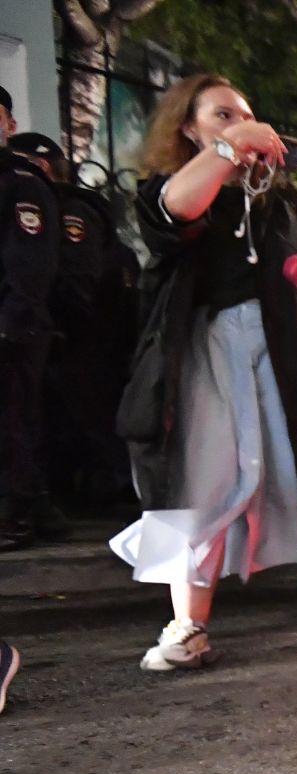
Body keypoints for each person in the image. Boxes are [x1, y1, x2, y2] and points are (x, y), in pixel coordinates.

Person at [109, 73, 297, 671]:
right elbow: (177, 210)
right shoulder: (169, 188)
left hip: (284, 353)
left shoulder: (283, 199)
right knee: (196, 483)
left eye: (245, 114)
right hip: (203, 353)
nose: (239, 123)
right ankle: (188, 625)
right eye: (222, 115)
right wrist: (234, 147)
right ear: (188, 126)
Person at [10, 131, 134, 517]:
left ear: (41, 166)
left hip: (83, 339)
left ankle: (114, 491)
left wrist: (58, 329)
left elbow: (76, 279)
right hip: (72, 337)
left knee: (88, 417)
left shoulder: (69, 211)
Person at [0, 89, 61, 553]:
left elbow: (30, 263)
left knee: (13, 422)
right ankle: (35, 507)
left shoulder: (22, 183)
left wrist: (12, 320)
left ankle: (16, 516)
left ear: (9, 125)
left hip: (13, 326)